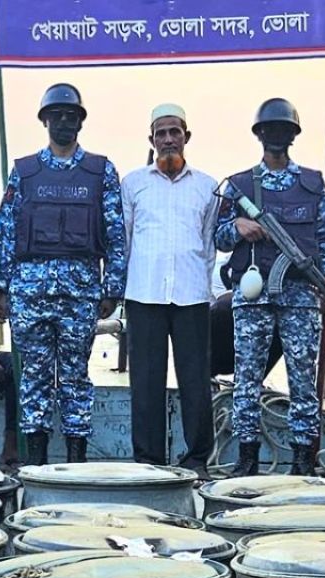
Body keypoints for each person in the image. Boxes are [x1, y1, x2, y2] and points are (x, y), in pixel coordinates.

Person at [0, 83, 126, 465]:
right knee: (33, 378)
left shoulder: (101, 171)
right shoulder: (24, 172)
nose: (64, 122)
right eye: (57, 116)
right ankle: (36, 466)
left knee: (76, 379)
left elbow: (116, 233)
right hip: (29, 295)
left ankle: (76, 465)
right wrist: (0, 288)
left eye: (71, 116)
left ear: (80, 122)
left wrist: (112, 288)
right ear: (45, 121)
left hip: (80, 295)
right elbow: (5, 231)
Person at [214, 98, 325, 477]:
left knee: (304, 381)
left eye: (283, 130)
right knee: (247, 381)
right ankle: (246, 460)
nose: (276, 136)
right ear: (259, 134)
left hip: (301, 297)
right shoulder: (239, 186)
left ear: (293, 135)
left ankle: (303, 462)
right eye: (270, 129)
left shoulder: (311, 184)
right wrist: (238, 227)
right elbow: (218, 237)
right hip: (253, 298)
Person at [121, 103, 217, 475]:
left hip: (192, 295)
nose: (168, 140)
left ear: (186, 137)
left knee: (196, 381)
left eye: (174, 132)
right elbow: (125, 239)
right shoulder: (134, 184)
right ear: (151, 140)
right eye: (160, 133)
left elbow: (209, 244)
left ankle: (197, 459)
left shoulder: (207, 186)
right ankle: (148, 462)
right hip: (144, 292)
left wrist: (205, 287)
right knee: (146, 382)